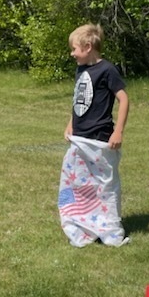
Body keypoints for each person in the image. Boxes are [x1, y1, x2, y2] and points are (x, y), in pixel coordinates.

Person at [58, 23, 130, 246]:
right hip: (79, 138)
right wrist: (71, 123)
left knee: (104, 184)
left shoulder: (107, 70)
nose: (72, 54)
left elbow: (124, 99)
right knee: (76, 182)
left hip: (100, 139)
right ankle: (82, 221)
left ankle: (109, 227)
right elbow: (78, 101)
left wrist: (118, 131)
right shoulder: (81, 70)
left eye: (75, 49)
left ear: (88, 47)